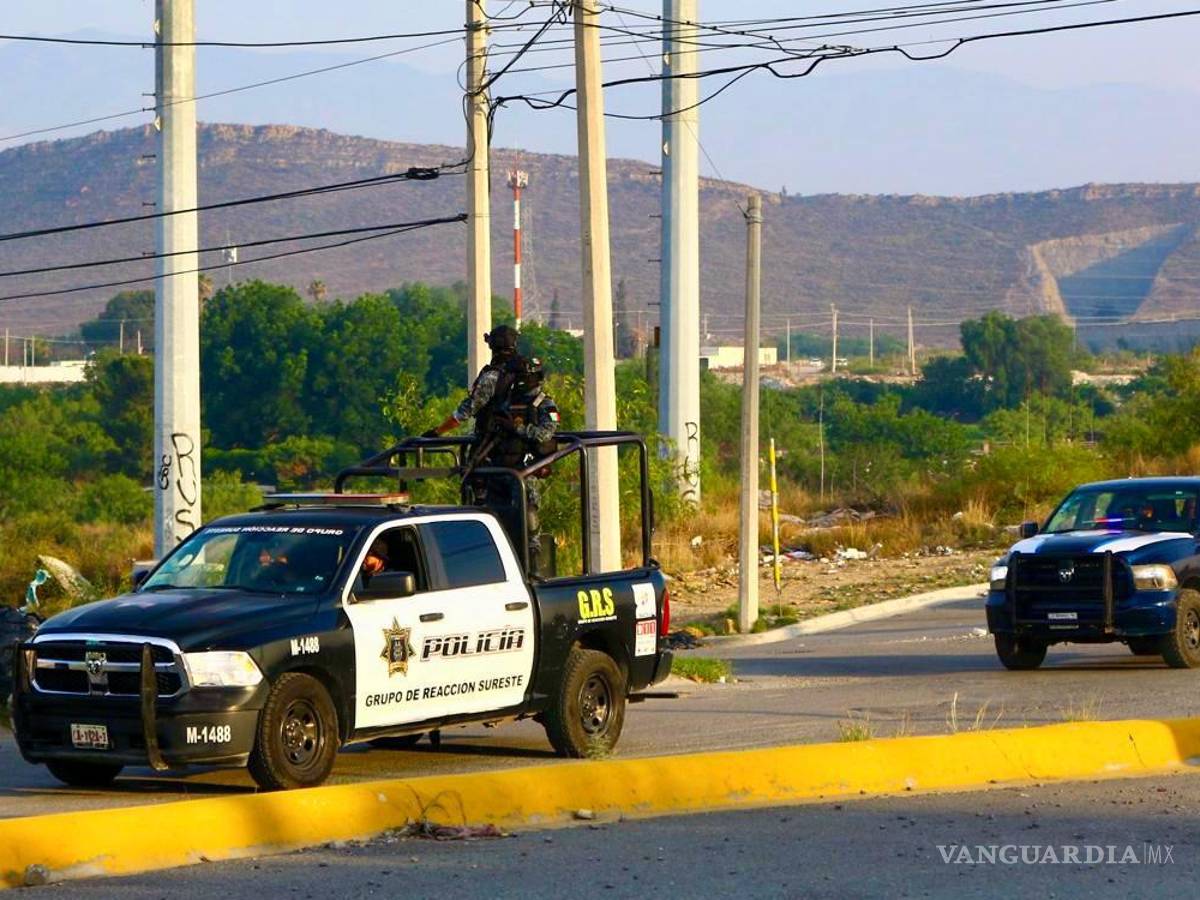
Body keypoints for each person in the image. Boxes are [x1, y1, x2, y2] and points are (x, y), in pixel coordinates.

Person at [485, 357, 560, 577]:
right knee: (495, 520)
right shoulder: (503, 402)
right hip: (499, 469)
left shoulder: (544, 404)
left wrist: (517, 428)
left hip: (526, 471)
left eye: (519, 376)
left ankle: (533, 570)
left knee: (529, 522)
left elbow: (545, 433)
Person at [423, 325, 523, 443]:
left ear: (494, 346)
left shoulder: (492, 377)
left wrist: (437, 432)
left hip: (495, 447)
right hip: (525, 448)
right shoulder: (528, 372)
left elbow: (467, 410)